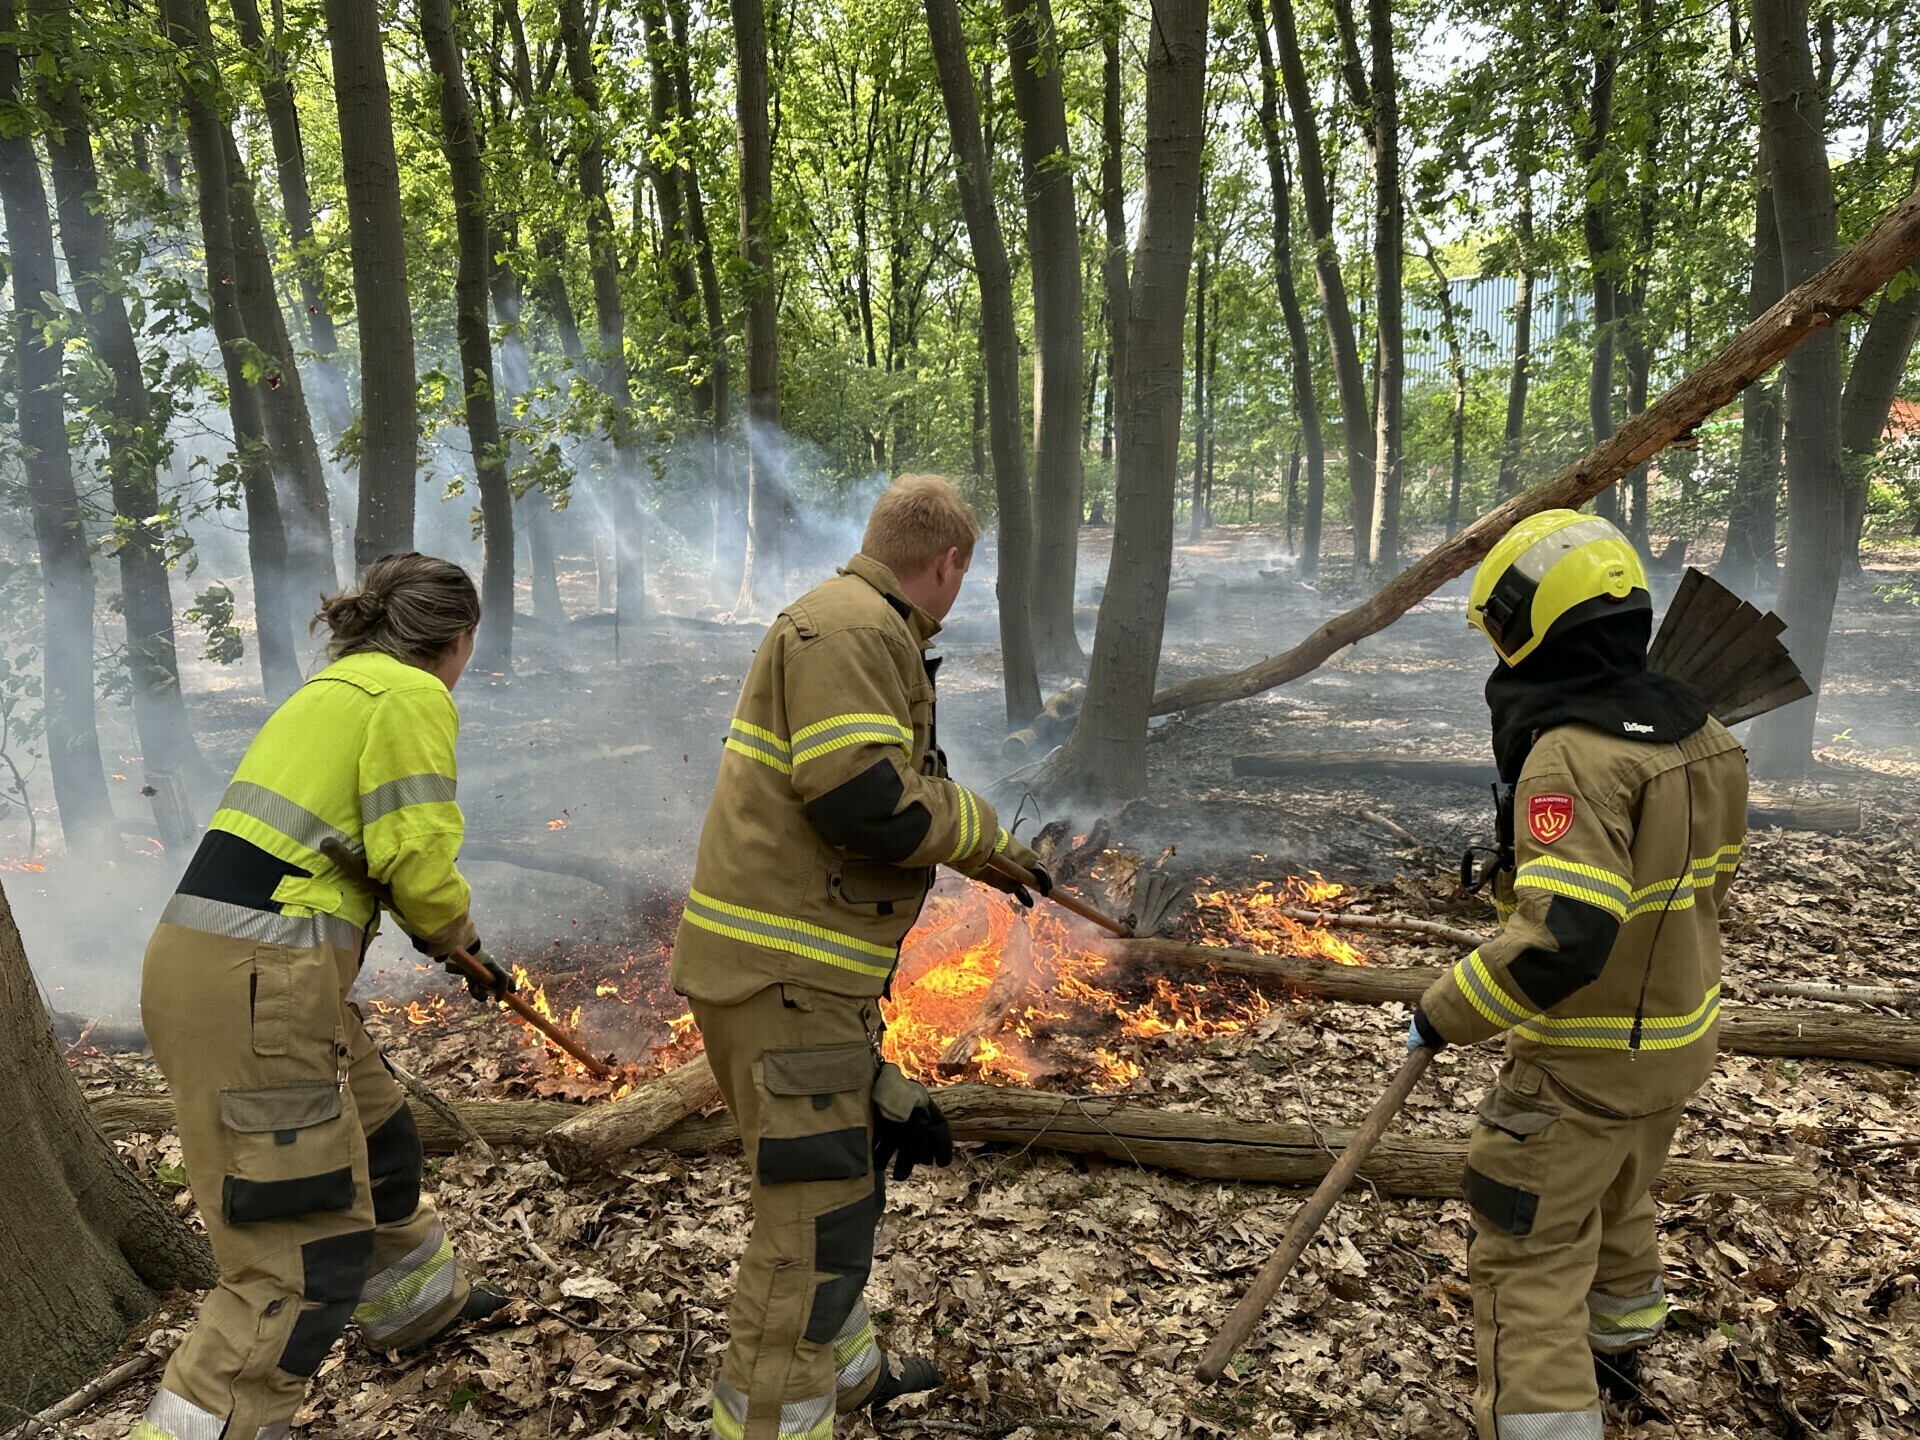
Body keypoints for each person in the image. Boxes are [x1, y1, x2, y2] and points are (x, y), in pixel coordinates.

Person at [673, 474, 1051, 1440]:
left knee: (846, 1183)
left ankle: (846, 1370)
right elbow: (862, 801)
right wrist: (976, 824)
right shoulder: (852, 631)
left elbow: (889, 782)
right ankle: (768, 1422)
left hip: (812, 980)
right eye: (965, 574)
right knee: (807, 1228)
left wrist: (987, 855)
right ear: (948, 562)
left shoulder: (868, 627)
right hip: (783, 977)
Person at [135, 554, 509, 1440]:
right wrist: (459, 938)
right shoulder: (411, 697)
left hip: (220, 966)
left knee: (379, 1134)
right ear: (456, 640)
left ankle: (415, 1305)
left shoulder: (334, 688)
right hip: (263, 984)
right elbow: (415, 861)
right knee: (296, 1265)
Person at [1408, 511, 1749, 1439]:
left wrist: (1443, 1009)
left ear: (1540, 624)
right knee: (1619, 1200)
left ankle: (1549, 1418)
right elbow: (1684, 888)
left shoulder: (1570, 753)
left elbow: (1565, 937)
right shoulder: (1707, 732)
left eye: (1507, 632)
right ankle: (1621, 1349)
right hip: (1676, 1045)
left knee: (1529, 1256)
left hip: (1585, 1063)